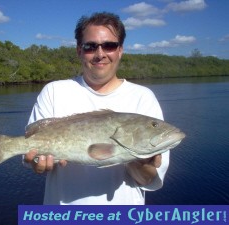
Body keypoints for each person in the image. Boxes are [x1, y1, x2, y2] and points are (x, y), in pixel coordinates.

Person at [24, 12, 169, 205]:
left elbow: (148, 179)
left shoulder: (143, 97)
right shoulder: (54, 91)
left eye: (109, 45)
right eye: (90, 46)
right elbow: (30, 154)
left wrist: (140, 163)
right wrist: (35, 161)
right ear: (79, 50)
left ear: (120, 50)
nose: (100, 54)